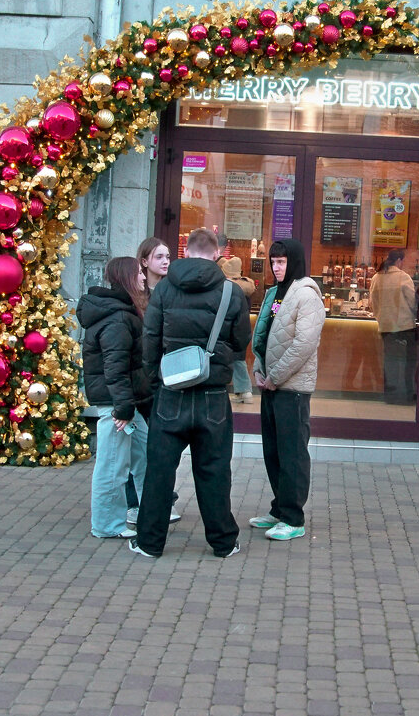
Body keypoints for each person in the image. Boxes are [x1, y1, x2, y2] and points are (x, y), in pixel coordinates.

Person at [130, 227, 250, 559]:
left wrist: (157, 381)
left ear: (185, 252)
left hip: (171, 393)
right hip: (213, 395)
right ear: (216, 254)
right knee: (214, 471)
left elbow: (150, 340)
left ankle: (150, 543)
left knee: (159, 471)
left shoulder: (165, 289)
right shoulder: (231, 292)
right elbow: (241, 342)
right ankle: (223, 543)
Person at [249, 239, 326, 541]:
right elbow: (263, 336)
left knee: (292, 453)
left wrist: (276, 376)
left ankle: (294, 518)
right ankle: (280, 508)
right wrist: (258, 369)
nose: (276, 267)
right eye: (273, 262)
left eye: (281, 262)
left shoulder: (306, 296)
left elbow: (303, 345)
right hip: (271, 385)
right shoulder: (273, 294)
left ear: (292, 261)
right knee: (274, 451)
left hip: (291, 388)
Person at [76, 256, 150, 539]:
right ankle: (107, 524)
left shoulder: (121, 313)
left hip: (125, 404)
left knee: (145, 454)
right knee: (113, 466)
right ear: (128, 278)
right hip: (118, 406)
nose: (144, 279)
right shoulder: (118, 318)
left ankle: (149, 510)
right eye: (139, 274)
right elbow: (115, 368)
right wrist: (122, 408)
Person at [122, 237, 179, 534]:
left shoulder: (172, 292)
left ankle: (163, 497)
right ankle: (136, 502)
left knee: (161, 444)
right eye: (159, 257)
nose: (166, 261)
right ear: (144, 261)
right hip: (143, 381)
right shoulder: (137, 298)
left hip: (164, 378)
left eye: (168, 256)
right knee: (142, 446)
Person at [368, 249, 417, 404]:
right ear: (399, 261)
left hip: (386, 327)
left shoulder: (376, 277)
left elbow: (372, 304)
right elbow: (412, 302)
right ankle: (406, 395)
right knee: (407, 363)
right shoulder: (404, 277)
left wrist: (380, 317)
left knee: (390, 362)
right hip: (405, 327)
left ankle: (390, 395)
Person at [219, 256, 257, 405]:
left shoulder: (228, 288)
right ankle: (243, 391)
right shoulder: (246, 287)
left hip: (229, 329)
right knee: (238, 359)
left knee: (235, 360)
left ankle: (245, 390)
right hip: (243, 328)